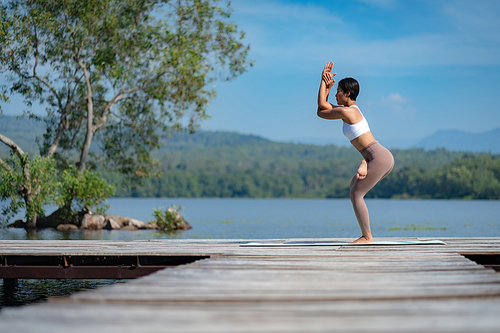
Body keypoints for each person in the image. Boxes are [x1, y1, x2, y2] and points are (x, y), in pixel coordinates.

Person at [317, 62, 394, 244]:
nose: (336, 94)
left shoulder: (349, 113)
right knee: (353, 188)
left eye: (338, 91)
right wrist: (365, 162)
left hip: (379, 158)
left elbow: (320, 109)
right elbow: (324, 107)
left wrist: (323, 83)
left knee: (356, 194)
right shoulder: (351, 110)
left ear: (348, 94)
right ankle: (364, 164)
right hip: (375, 157)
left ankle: (367, 237)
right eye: (334, 90)